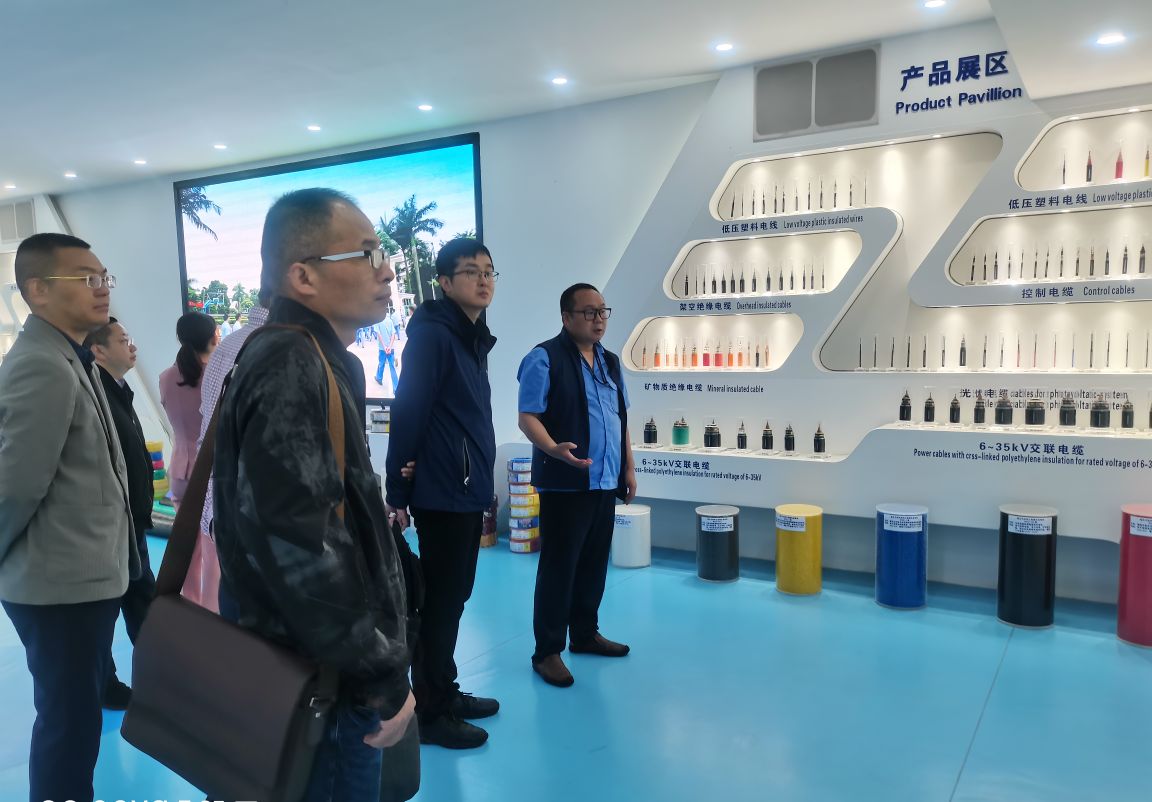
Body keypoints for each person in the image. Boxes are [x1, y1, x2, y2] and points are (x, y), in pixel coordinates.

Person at [214, 187, 415, 801]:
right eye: (367, 253)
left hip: (318, 664)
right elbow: (302, 547)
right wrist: (380, 675)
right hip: (319, 678)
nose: (386, 270)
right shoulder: (291, 363)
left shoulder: (313, 358)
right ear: (302, 276)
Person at [0, 233, 139, 802]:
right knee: (68, 724)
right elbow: (15, 485)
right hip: (58, 586)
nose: (102, 289)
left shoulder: (69, 356)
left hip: (82, 578)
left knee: (75, 719)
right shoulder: (42, 365)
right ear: (37, 290)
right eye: (86, 278)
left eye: (104, 277)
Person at [385, 238, 498, 749]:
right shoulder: (434, 335)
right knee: (440, 603)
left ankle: (444, 691)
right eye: (471, 271)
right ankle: (430, 712)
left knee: (454, 598)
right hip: (444, 490)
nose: (483, 279)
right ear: (446, 283)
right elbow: (409, 407)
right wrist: (398, 488)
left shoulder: (470, 336)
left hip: (464, 487)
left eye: (489, 271)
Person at [517, 283, 637, 688]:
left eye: (603, 311)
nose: (598, 319)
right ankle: (547, 651)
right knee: (559, 567)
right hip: (566, 483)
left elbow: (621, 421)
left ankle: (584, 634)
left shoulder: (611, 362)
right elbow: (527, 417)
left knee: (593, 563)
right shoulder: (543, 358)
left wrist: (629, 469)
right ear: (566, 317)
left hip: (604, 481)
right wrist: (553, 448)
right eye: (589, 312)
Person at [84, 318, 157, 710]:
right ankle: (106, 686)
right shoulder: (96, 398)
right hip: (113, 530)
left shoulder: (117, 391)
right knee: (108, 612)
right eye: (123, 340)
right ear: (98, 350)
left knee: (145, 604)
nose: (133, 346)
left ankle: (163, 680)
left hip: (133, 526)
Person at [197, 295, 270, 618]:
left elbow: (207, 436)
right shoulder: (285, 352)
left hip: (224, 510)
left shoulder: (227, 348)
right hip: (264, 533)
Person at [159, 311, 219, 608]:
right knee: (212, 549)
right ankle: (210, 611)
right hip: (209, 472)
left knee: (187, 545)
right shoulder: (216, 377)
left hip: (180, 470)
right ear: (213, 337)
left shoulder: (166, 377)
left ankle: (189, 603)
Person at [374, 302, 400, 392]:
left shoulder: (377, 321)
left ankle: (379, 378)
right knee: (392, 367)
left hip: (382, 348)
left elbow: (379, 334)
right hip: (390, 348)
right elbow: (393, 335)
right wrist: (390, 346)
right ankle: (396, 388)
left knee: (381, 364)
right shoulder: (389, 320)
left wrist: (385, 347)